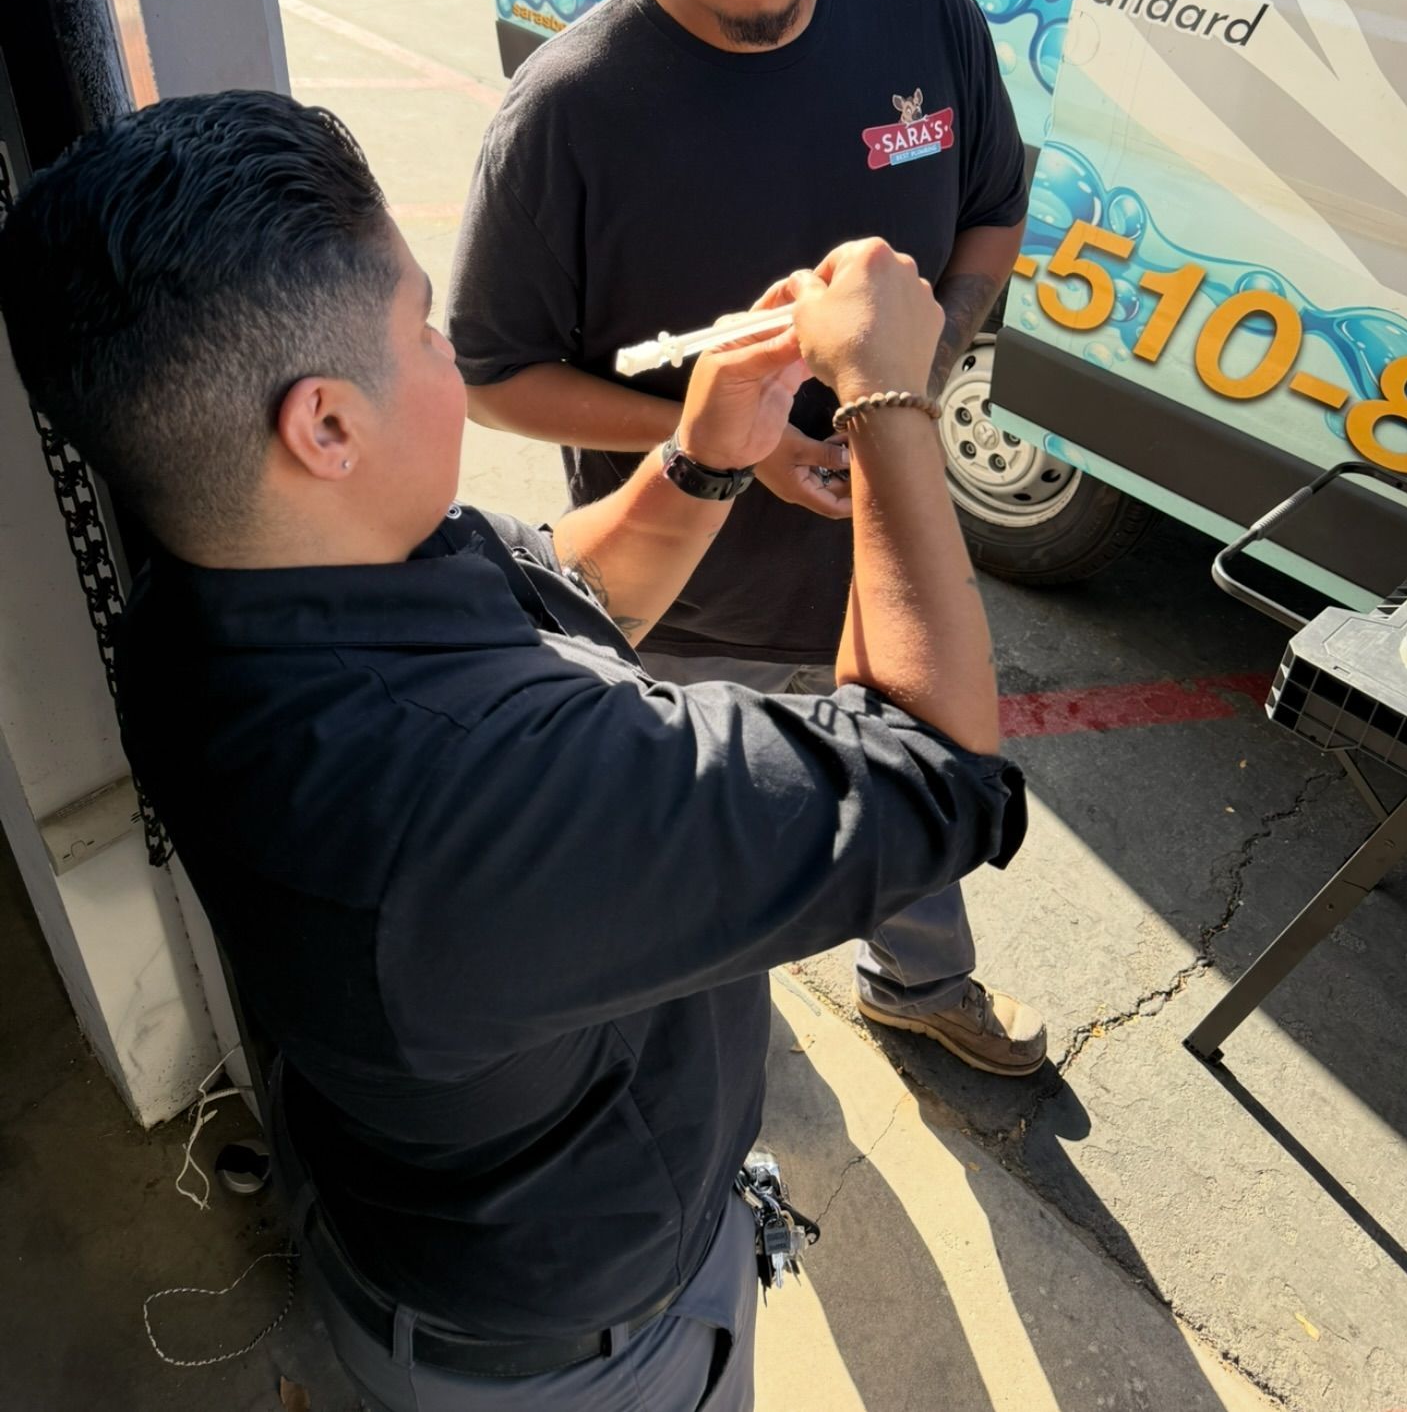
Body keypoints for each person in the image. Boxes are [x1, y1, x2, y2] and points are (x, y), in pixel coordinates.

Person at [0, 90, 1024, 1412]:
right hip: (577, 1349)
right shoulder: (473, 806)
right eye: (418, 328)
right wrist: (889, 394)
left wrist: (704, 458)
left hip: (412, 1234)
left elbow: (560, 601)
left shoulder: (213, 601)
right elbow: (938, 773)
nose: (442, 356)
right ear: (324, 427)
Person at [450, 0, 1045, 1075]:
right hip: (685, 615)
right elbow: (493, 371)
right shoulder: (569, 116)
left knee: (912, 816)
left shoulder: (923, 12)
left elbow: (991, 216)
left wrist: (913, 371)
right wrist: (723, 444)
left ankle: (917, 986)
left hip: (890, 572)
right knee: (699, 918)